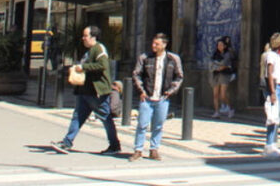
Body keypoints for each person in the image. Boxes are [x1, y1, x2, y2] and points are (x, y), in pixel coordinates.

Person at [51, 25, 121, 154]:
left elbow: (102, 65)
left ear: (93, 37)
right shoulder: (89, 51)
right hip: (84, 91)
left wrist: (83, 67)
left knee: (105, 117)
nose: (83, 38)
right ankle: (67, 142)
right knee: (78, 116)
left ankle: (115, 145)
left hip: (95, 92)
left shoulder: (99, 49)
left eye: (85, 36)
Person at [128, 32, 184, 162]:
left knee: (158, 125)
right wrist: (141, 91)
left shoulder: (173, 59)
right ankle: (138, 149)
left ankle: (154, 149)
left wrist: (170, 91)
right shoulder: (145, 58)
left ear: (164, 44)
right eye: (153, 43)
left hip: (162, 98)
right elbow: (136, 74)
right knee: (142, 124)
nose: (154, 46)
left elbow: (179, 76)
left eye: (157, 44)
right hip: (147, 97)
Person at [263, 33, 280, 156]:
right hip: (275, 87)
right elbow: (270, 74)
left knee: (275, 117)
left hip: (278, 87)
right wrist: (272, 92)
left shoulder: (277, 56)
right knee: (272, 117)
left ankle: (271, 145)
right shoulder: (271, 55)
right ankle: (269, 145)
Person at [211, 36, 236, 118]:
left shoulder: (227, 54)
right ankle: (216, 111)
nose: (219, 46)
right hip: (216, 75)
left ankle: (231, 108)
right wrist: (216, 67)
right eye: (218, 45)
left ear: (225, 46)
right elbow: (212, 63)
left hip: (225, 75)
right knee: (215, 94)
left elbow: (224, 65)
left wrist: (218, 66)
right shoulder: (216, 54)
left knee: (223, 94)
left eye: (221, 45)